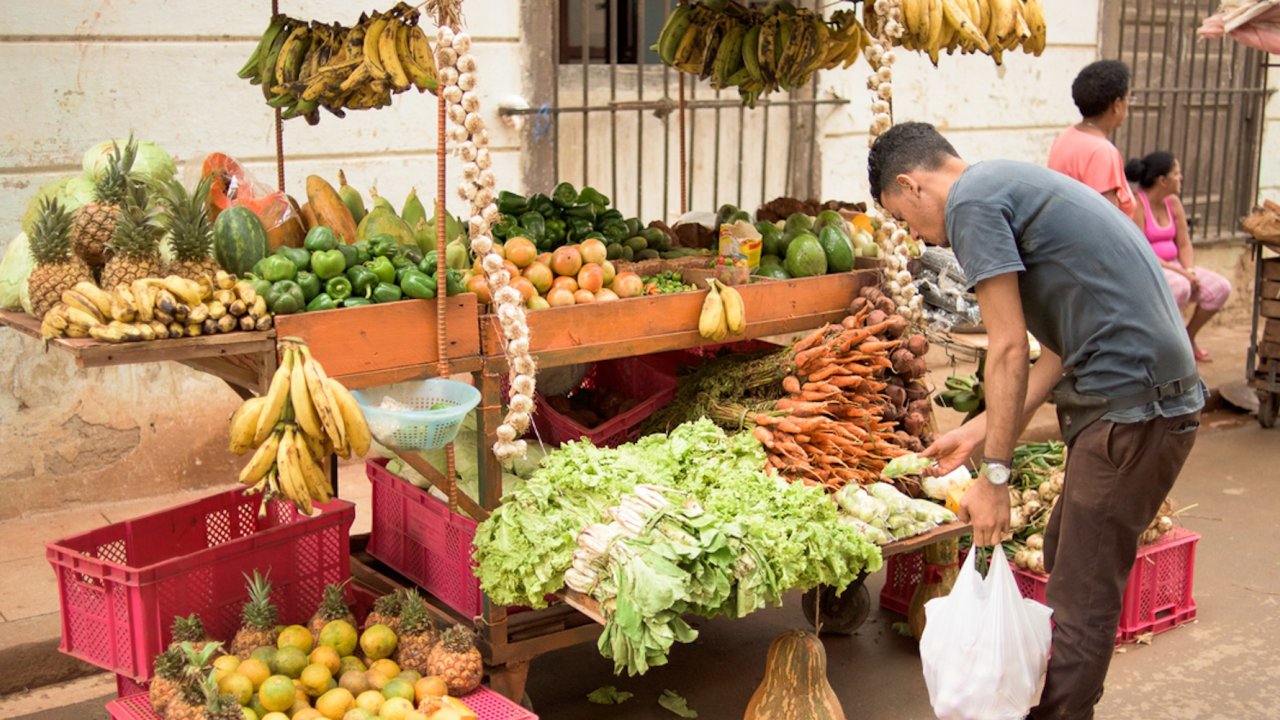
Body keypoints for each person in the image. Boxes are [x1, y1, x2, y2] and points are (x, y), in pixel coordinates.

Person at [868, 122, 1202, 720]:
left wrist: (994, 479)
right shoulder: (1006, 182)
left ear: (910, 185)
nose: (917, 236)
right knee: (1061, 554)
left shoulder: (971, 203)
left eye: (904, 219)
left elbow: (1005, 347)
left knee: (1082, 601)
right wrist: (980, 430)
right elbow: (1057, 350)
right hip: (1139, 400)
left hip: (1135, 408)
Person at [1125, 151, 1232, 361]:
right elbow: (1142, 252)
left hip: (1177, 268)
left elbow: (1184, 244)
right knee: (1181, 286)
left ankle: (1187, 337)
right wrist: (1182, 273)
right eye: (1176, 173)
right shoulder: (1138, 204)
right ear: (1162, 180)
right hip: (1151, 270)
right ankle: (1164, 349)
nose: (1180, 177)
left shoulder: (1173, 202)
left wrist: (1190, 270)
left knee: (1220, 287)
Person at [1047, 60, 1136, 217]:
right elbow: (1107, 221)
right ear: (1116, 104)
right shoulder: (1103, 151)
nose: (1129, 104)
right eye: (1128, 98)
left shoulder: (1066, 135)